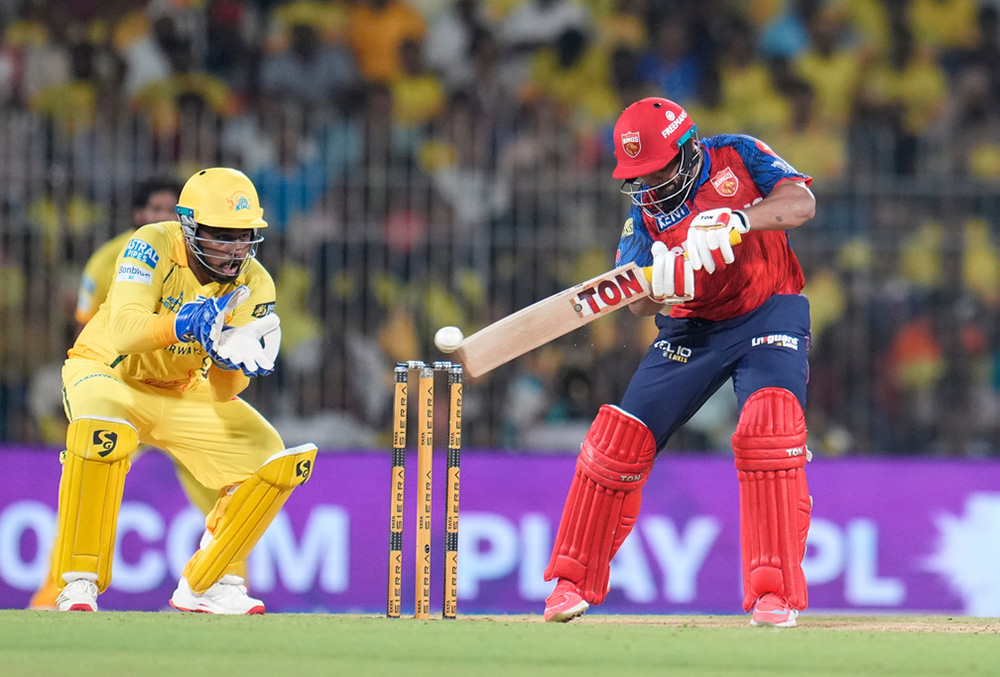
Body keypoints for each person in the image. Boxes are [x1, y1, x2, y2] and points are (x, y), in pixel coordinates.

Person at [543, 97, 816, 627]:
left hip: (770, 311)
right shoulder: (643, 216)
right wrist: (660, 285)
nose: (648, 186)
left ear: (688, 151)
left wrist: (741, 218)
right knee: (617, 441)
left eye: (656, 170)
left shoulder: (737, 154)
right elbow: (636, 299)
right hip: (693, 326)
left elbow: (801, 204)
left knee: (770, 426)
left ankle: (773, 592)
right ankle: (570, 582)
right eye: (637, 176)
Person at [51, 167, 317, 614]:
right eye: (222, 235)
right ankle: (79, 583)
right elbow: (124, 332)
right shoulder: (151, 242)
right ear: (189, 227)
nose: (235, 249)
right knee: (102, 434)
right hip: (109, 374)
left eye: (244, 235)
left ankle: (209, 583)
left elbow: (223, 390)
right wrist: (186, 323)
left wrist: (231, 362)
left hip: (180, 390)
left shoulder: (256, 283)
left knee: (269, 460)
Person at [30, 177, 255, 609]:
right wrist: (88, 392)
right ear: (139, 215)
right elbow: (90, 329)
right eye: (156, 210)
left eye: (174, 210)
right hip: (121, 385)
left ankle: (223, 582)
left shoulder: (224, 264)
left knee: (226, 486)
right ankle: (56, 592)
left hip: (180, 391)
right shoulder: (114, 257)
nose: (165, 218)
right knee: (93, 476)